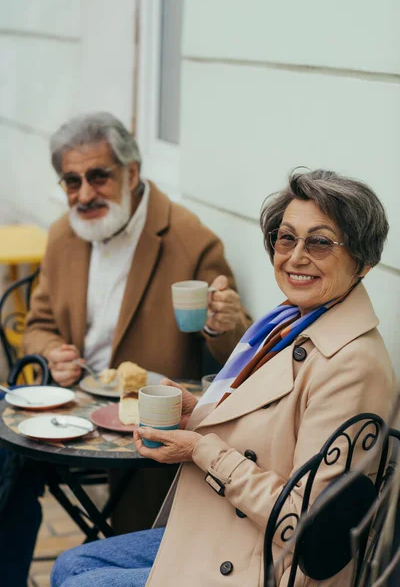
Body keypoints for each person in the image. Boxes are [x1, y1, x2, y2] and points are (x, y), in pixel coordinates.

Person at [51, 169, 397, 587]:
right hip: (231, 532)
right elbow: (267, 433)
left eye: (320, 242)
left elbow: (305, 520)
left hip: (270, 566)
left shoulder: (352, 363)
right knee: (68, 565)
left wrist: (201, 449)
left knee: (78, 583)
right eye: (286, 238)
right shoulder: (290, 322)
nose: (296, 256)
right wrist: (197, 412)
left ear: (364, 259)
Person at [0, 112, 251, 586]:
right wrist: (51, 350)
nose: (84, 193)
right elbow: (36, 327)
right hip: (68, 412)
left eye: (99, 176)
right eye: (71, 181)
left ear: (132, 173)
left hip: (140, 435)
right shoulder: (62, 234)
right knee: (4, 465)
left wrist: (226, 324)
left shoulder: (189, 238)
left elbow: (235, 361)